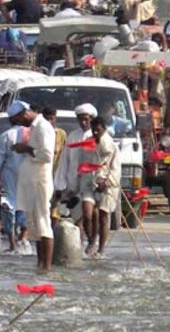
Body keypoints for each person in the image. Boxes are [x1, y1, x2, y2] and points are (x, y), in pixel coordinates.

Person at [8, 100, 55, 271]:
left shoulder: (43, 127)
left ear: (25, 113)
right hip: (31, 183)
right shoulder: (35, 127)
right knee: (34, 227)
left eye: (19, 120)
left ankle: (47, 267)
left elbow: (47, 155)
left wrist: (25, 149)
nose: (20, 124)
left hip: (40, 183)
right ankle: (40, 264)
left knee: (43, 223)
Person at [83, 116, 121, 256]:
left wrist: (107, 182)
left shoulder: (112, 146)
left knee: (104, 215)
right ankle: (91, 240)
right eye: (93, 130)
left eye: (98, 130)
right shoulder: (89, 143)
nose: (95, 133)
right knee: (88, 214)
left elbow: (116, 168)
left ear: (104, 129)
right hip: (90, 182)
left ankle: (101, 249)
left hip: (107, 185)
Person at [54, 104, 97, 226]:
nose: (83, 122)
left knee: (88, 215)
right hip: (73, 183)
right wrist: (60, 184)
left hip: (90, 183)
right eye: (80, 119)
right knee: (77, 216)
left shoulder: (96, 136)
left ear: (91, 119)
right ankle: (81, 240)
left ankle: (90, 240)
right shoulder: (73, 136)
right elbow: (65, 160)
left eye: (86, 119)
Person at [0, 119, 29, 252]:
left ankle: (12, 243)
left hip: (9, 176)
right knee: (24, 206)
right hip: (26, 176)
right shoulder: (32, 133)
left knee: (9, 206)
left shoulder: (6, 135)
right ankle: (23, 238)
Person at [43, 107, 66, 175]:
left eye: (51, 119)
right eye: (47, 119)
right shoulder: (37, 133)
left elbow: (64, 154)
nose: (49, 122)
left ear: (55, 119)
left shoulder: (61, 134)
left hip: (56, 173)